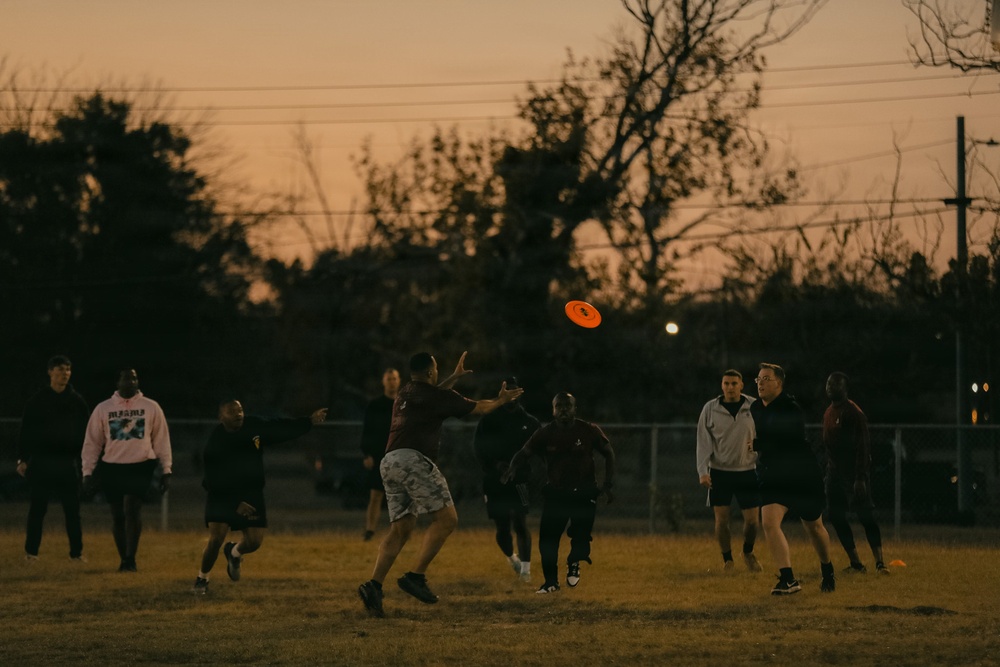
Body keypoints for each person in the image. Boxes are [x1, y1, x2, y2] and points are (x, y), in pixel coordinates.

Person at [357, 351, 523, 617]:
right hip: (413, 460)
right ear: (431, 372)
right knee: (447, 520)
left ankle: (374, 585)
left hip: (389, 462)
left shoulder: (405, 392)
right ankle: (415, 576)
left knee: (401, 528)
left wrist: (453, 378)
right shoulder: (436, 396)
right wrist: (501, 400)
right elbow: (479, 407)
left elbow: (433, 393)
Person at [192, 399, 328, 594]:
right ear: (221, 417)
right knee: (216, 538)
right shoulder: (216, 442)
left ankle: (234, 552)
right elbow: (211, 481)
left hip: (251, 492)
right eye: (232, 412)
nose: (239, 414)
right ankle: (201, 579)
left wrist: (308, 421)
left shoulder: (253, 426)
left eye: (240, 410)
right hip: (222, 492)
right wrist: (234, 503)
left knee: (255, 541)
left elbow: (279, 428)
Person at [502, 392, 616, 594]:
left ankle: (574, 562)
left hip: (584, 493)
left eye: (568, 405)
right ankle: (550, 583)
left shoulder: (588, 430)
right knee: (547, 540)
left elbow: (609, 453)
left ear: (575, 409)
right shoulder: (545, 433)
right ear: (553, 410)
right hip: (557, 494)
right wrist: (512, 468)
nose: (563, 409)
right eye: (559, 406)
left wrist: (608, 484)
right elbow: (524, 453)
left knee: (581, 536)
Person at [750, 363, 836, 595]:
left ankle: (827, 569)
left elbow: (789, 441)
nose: (760, 382)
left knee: (814, 527)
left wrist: (758, 445)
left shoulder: (791, 408)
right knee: (769, 522)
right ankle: (787, 579)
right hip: (773, 474)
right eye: (758, 379)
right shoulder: (756, 407)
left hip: (801, 474)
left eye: (766, 378)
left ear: (779, 383)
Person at [81, 368, 172, 572]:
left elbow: (161, 440)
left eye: (134, 378)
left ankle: (131, 558)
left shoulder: (151, 407)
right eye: (126, 378)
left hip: (141, 466)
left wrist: (166, 469)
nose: (131, 381)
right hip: (112, 466)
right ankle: (124, 558)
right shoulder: (103, 409)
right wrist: (88, 472)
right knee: (117, 515)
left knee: (132, 508)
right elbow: (92, 443)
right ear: (118, 382)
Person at [17, 355, 91, 563]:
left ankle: (76, 554)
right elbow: (26, 432)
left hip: (67, 463)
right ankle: (31, 553)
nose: (64, 374)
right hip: (42, 462)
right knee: (37, 509)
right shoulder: (37, 401)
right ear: (50, 372)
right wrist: (22, 459)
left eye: (67, 369)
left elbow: (87, 434)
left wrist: (85, 461)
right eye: (60, 370)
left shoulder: (77, 401)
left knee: (72, 511)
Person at [473, 376, 540, 582]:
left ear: (520, 392)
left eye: (514, 390)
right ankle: (512, 558)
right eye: (506, 390)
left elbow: (537, 453)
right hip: (495, 480)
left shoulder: (530, 422)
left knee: (520, 522)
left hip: (519, 480)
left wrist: (518, 468)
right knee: (502, 527)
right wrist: (496, 466)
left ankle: (526, 571)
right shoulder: (489, 420)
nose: (511, 394)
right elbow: (479, 448)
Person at [822, 372, 889, 576]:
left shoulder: (854, 412)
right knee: (836, 516)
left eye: (836, 384)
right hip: (834, 474)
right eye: (829, 384)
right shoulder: (828, 412)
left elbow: (863, 446)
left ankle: (880, 563)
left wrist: (860, 477)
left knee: (865, 516)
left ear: (845, 388)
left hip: (854, 475)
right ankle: (856, 563)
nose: (831, 387)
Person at [696, 369, 762, 573]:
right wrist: (703, 472)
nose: (730, 387)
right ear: (721, 386)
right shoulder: (710, 408)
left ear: (742, 385)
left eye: (734, 383)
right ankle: (728, 560)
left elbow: (767, 431)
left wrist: (760, 445)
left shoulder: (754, 406)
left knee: (752, 522)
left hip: (747, 470)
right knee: (722, 520)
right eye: (726, 383)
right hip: (720, 471)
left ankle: (748, 552)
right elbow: (703, 442)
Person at [361, 368, 401, 541]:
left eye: (394, 378)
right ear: (383, 382)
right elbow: (367, 431)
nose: (392, 382)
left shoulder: (404, 403)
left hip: (400, 454)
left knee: (400, 495)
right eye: (388, 379)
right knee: (376, 494)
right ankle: (370, 530)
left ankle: (400, 530)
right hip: (379, 454)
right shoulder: (375, 405)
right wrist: (367, 454)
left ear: (399, 381)